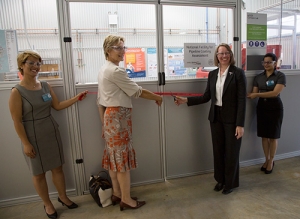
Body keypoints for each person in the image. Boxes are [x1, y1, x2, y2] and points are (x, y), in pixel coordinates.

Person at [8, 50, 88, 219]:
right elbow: (16, 121)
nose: (35, 67)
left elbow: (57, 106)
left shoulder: (45, 86)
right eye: (31, 63)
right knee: (38, 173)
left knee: (57, 167)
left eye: (38, 63)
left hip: (50, 131)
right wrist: (25, 143)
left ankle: (63, 197)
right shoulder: (17, 91)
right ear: (22, 66)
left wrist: (76, 98)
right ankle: (48, 204)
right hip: (32, 136)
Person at [97, 35, 162, 210]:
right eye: (118, 48)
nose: (122, 51)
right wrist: (157, 97)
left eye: (123, 47)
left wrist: (104, 123)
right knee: (122, 160)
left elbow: (100, 101)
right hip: (118, 118)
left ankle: (117, 194)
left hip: (110, 118)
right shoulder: (115, 71)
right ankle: (126, 199)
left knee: (114, 158)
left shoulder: (104, 68)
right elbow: (137, 91)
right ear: (107, 50)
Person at [174, 43, 246, 195]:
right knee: (218, 151)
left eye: (226, 53)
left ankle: (230, 183)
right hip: (215, 117)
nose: (223, 56)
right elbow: (206, 97)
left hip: (232, 119)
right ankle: (220, 180)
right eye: (220, 53)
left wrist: (240, 124)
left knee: (231, 152)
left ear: (230, 55)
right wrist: (186, 100)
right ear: (216, 56)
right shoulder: (212, 74)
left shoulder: (238, 73)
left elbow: (242, 100)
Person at [247, 53, 286, 174]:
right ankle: (267, 159)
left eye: (269, 62)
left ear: (275, 63)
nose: (266, 64)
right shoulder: (258, 77)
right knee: (264, 136)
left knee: (273, 136)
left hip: (275, 107)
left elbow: (275, 93)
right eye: (264, 62)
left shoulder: (280, 76)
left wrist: (257, 94)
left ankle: (271, 161)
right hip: (262, 107)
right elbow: (253, 93)